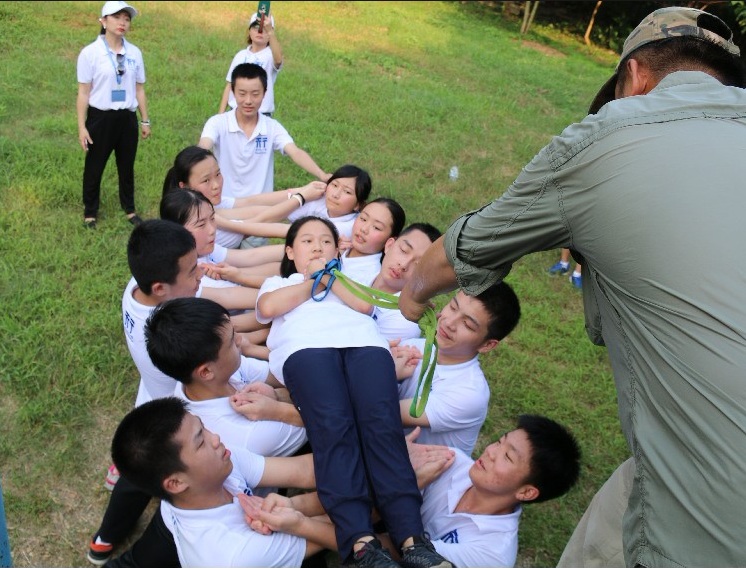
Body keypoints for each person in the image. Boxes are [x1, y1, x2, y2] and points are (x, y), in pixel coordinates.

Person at [399, 7, 746, 567]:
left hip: (716, 486)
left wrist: (411, 293)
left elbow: (469, 248)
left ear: (634, 77)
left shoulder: (616, 131)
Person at [256, 216, 453, 568]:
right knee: (333, 428)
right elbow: (269, 309)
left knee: (383, 427)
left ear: (338, 250)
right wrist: (314, 278)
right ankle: (360, 542)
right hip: (306, 350)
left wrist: (330, 276)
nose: (317, 246)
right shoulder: (278, 281)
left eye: (326, 242)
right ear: (290, 250)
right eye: (306, 241)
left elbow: (364, 307)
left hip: (365, 348)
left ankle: (412, 539)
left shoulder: (351, 280)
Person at [87, 296, 309, 566]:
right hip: (196, 509)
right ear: (205, 371)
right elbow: (322, 422)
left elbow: (281, 380)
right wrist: (279, 406)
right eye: (231, 341)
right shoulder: (245, 437)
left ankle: (108, 540)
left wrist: (275, 395)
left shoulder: (192, 400)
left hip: (189, 501)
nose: (240, 341)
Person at [251, 416, 581, 568]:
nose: (492, 451)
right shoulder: (452, 464)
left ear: (526, 491)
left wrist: (299, 524)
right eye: (500, 441)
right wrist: (397, 469)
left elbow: (393, 552)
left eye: (507, 457)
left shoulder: (492, 553)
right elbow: (374, 504)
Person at [107, 397, 331, 568]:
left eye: (203, 427)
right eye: (200, 441)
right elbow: (341, 534)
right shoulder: (235, 553)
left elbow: (303, 471)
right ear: (175, 483)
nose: (215, 438)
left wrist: (295, 507)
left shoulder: (216, 467)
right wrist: (299, 521)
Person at [398, 284, 521, 456]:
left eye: (468, 325)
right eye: (453, 307)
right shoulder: (415, 345)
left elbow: (384, 413)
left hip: (416, 479)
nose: (449, 323)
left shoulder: (469, 394)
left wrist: (388, 369)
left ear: (487, 345)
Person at [199, 63, 329, 201]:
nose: (248, 101)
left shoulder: (272, 127)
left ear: (265, 93)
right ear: (232, 92)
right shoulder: (217, 123)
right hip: (224, 204)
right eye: (242, 94)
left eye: (255, 94)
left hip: (261, 208)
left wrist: (322, 175)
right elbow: (203, 146)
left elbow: (295, 152)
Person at [162, 145, 326, 250]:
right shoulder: (201, 221)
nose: (216, 185)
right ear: (185, 187)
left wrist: (302, 191)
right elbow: (256, 223)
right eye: (206, 180)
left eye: (218, 174)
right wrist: (300, 198)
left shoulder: (204, 204)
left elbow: (251, 203)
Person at [77, 0, 149, 229]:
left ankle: (129, 209)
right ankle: (90, 212)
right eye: (117, 17)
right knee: (95, 166)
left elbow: (139, 89)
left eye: (127, 19)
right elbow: (83, 93)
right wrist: (82, 126)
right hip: (100, 118)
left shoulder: (134, 53)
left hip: (127, 118)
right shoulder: (90, 53)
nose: (123, 23)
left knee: (126, 166)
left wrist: (145, 119)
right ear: (103, 21)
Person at [369, 223, 442, 343]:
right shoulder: (351, 269)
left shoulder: (405, 323)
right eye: (404, 250)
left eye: (418, 265)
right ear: (389, 245)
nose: (403, 265)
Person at [288, 164, 373, 245]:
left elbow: (297, 232)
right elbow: (279, 208)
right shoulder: (320, 201)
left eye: (347, 191)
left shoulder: (350, 227)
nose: (335, 195)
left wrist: (300, 197)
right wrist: (302, 192)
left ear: (358, 204)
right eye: (335, 185)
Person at [219, 13, 283, 117]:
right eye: (256, 27)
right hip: (234, 112)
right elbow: (230, 85)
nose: (260, 31)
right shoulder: (240, 55)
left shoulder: (270, 56)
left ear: (271, 33)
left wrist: (270, 31)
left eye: (265, 29)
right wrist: (220, 115)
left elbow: (278, 60)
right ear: (249, 31)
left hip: (261, 114)